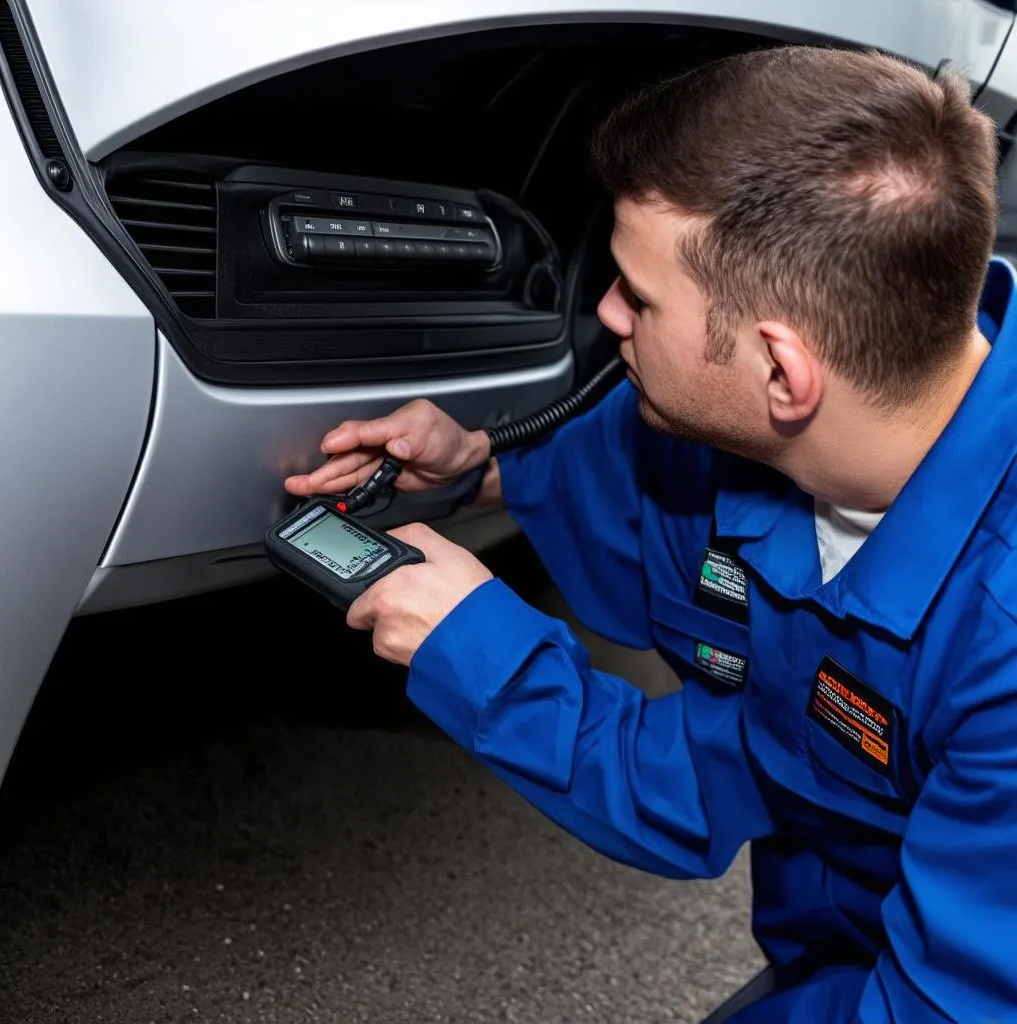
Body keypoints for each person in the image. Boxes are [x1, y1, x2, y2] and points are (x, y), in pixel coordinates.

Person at [285, 45, 1017, 1022]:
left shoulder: (1000, 650)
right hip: (837, 937)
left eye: (639, 295)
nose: (604, 312)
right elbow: (723, 767)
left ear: (782, 374)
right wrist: (479, 469)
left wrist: (476, 645)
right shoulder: (771, 427)